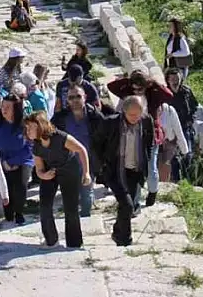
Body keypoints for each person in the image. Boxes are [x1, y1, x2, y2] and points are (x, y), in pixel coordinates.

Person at [93, 95, 155, 247]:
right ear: (123, 112)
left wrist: (146, 160)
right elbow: (96, 144)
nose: (135, 118)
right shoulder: (110, 123)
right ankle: (125, 240)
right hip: (115, 170)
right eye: (131, 115)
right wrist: (101, 166)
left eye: (138, 114)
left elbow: (150, 143)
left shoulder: (147, 121)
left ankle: (117, 232)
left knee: (128, 206)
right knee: (127, 205)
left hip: (135, 169)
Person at [25, 111, 91, 248]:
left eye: (30, 127)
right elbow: (39, 169)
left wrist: (86, 173)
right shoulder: (36, 145)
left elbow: (81, 150)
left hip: (69, 169)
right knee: (44, 205)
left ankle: (74, 243)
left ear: (40, 126)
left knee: (70, 207)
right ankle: (51, 241)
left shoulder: (60, 137)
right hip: (51, 172)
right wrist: (44, 175)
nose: (28, 130)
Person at [106, 71, 173, 203]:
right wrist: (128, 80)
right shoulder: (128, 94)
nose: (137, 91)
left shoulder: (153, 94)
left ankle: (152, 192)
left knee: (151, 166)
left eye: (140, 88)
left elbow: (169, 95)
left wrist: (153, 82)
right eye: (134, 88)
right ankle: (134, 200)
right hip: (131, 135)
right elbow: (111, 86)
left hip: (150, 135)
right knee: (134, 168)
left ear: (146, 86)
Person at [52, 84, 106, 217]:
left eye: (78, 96)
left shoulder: (94, 116)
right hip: (68, 165)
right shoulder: (60, 118)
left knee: (86, 195)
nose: (75, 100)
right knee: (70, 197)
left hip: (89, 163)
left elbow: (105, 137)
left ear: (85, 97)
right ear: (67, 100)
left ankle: (86, 219)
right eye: (71, 97)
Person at [0, 94, 33, 225]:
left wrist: (13, 162)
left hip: (23, 160)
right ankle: (8, 213)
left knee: (20, 185)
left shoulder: (25, 124)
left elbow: (30, 147)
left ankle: (19, 212)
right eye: (3, 106)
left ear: (16, 108)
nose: (4, 109)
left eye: (8, 107)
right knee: (6, 187)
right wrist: (3, 161)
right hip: (2, 160)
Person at [166, 68, 198, 181]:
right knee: (173, 157)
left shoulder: (186, 92)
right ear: (168, 80)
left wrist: (191, 120)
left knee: (187, 155)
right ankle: (176, 180)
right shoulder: (165, 94)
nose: (175, 81)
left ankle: (187, 179)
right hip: (171, 130)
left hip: (185, 128)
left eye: (177, 79)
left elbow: (194, 106)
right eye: (173, 79)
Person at [157, 98, 189, 183]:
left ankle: (164, 184)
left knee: (165, 164)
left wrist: (184, 150)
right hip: (157, 143)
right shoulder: (149, 110)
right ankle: (158, 185)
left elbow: (178, 130)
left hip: (169, 143)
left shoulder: (170, 111)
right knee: (158, 165)